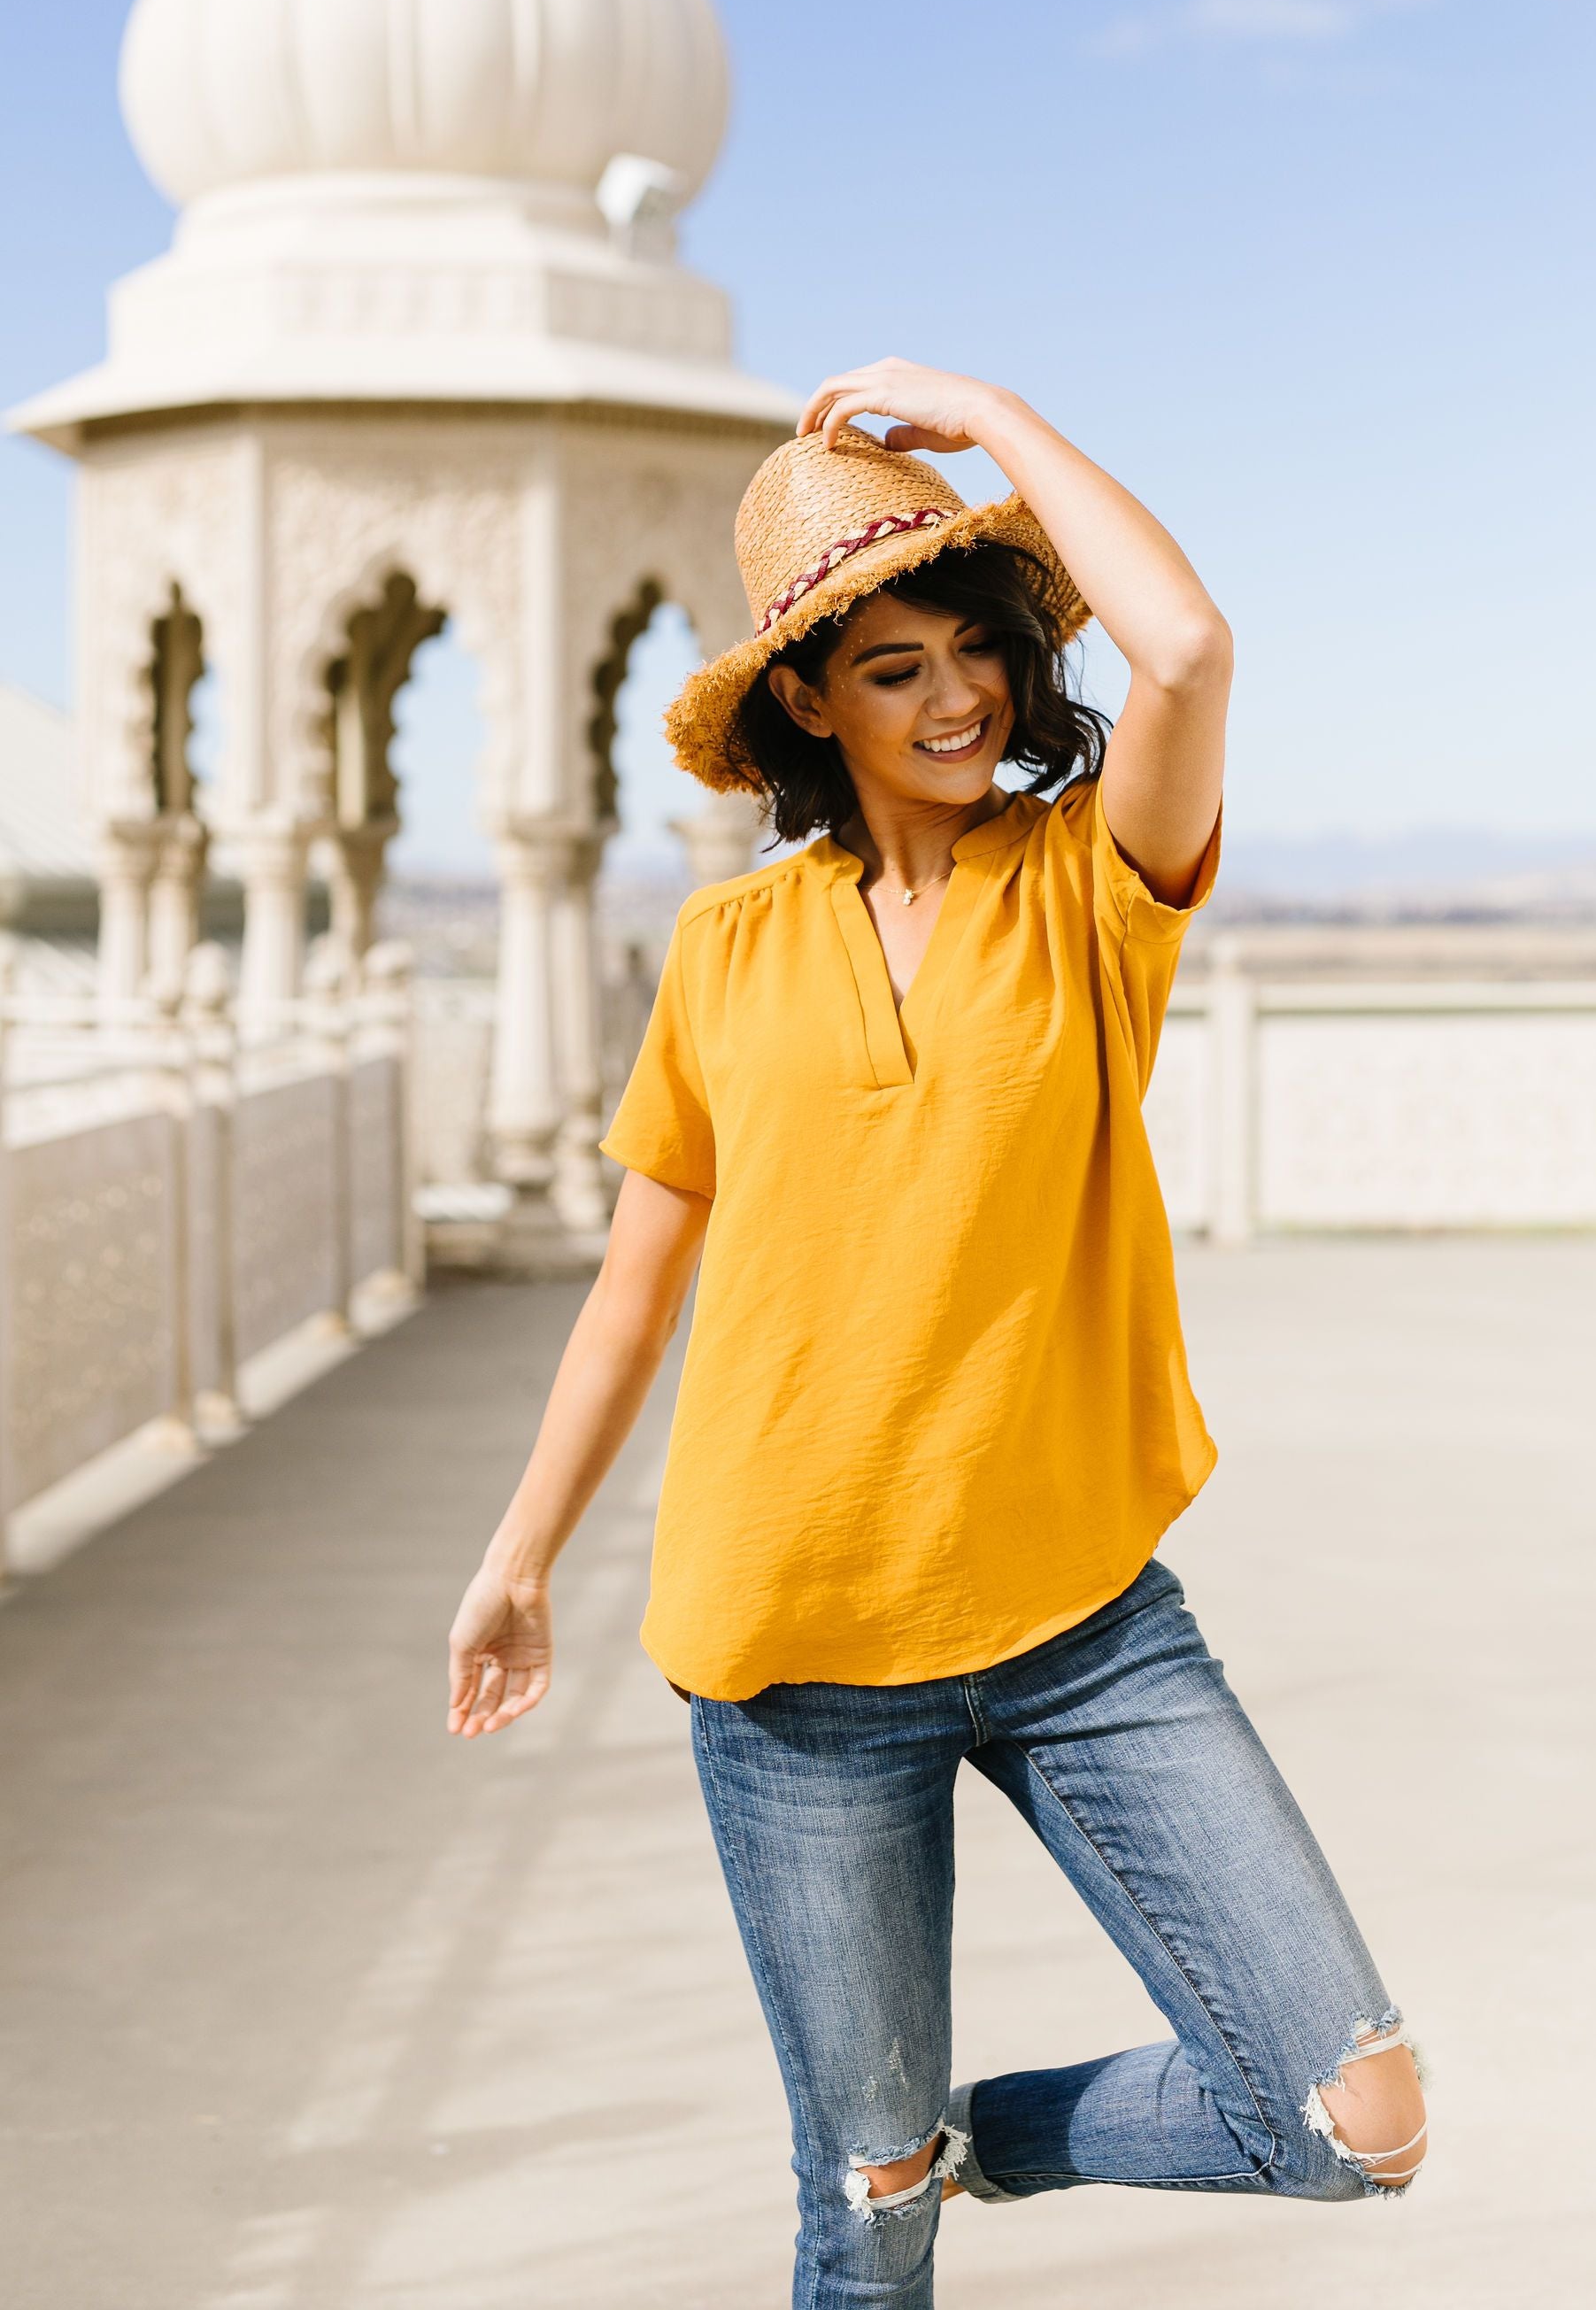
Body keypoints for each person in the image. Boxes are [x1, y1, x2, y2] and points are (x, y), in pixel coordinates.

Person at [446, 360, 1426, 2305]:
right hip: (793, 1657)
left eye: (973, 644)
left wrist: (982, 419)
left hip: (1083, 1627)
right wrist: (520, 1556)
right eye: (892, 666)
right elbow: (635, 1293)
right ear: (806, 701)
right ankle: (892, 2155)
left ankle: (957, 2135)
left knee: (1345, 2120)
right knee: (862, 2222)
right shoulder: (727, 951)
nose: (958, 693)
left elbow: (1191, 644)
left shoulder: (1087, 884)